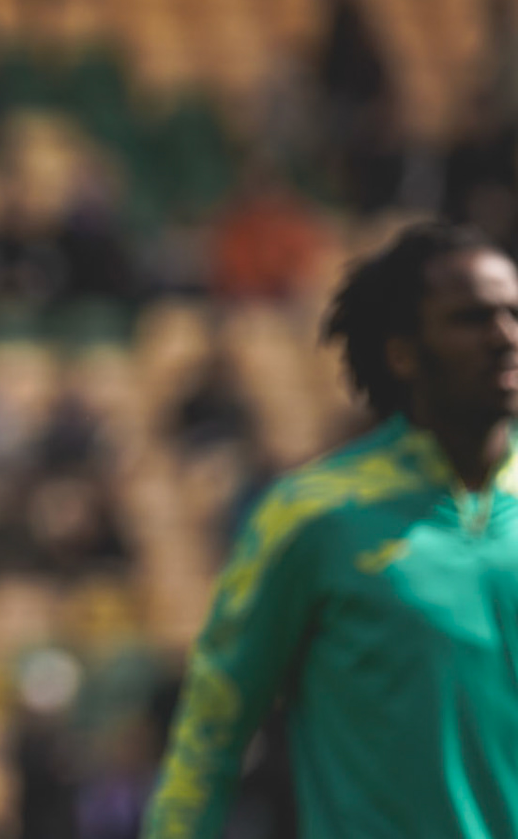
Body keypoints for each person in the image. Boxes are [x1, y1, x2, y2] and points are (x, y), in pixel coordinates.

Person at [143, 220, 518, 837]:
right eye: (471, 319)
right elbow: (211, 736)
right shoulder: (314, 518)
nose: (505, 337)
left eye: (513, 314)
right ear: (402, 353)